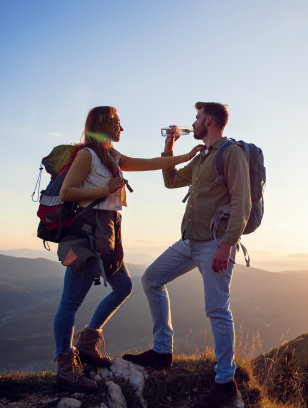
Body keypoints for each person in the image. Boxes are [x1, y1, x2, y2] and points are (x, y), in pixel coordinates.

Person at [53, 106, 202, 393]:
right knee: (70, 301)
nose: (122, 129)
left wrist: (185, 156)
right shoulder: (88, 155)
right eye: (118, 123)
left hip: (107, 233)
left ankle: (86, 343)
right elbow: (67, 193)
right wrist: (106, 188)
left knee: (122, 286)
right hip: (83, 236)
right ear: (103, 125)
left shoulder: (112, 156)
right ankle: (65, 366)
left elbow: (149, 163)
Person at [123, 102, 251, 408]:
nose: (191, 123)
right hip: (189, 241)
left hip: (215, 243)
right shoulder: (202, 156)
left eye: (196, 118)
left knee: (217, 309)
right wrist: (168, 149)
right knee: (152, 279)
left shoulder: (230, 153)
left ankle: (225, 382)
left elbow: (242, 203)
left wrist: (227, 244)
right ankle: (163, 351)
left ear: (208, 121)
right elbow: (171, 181)